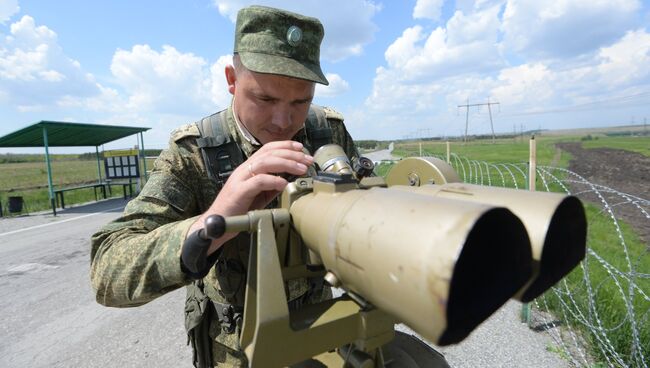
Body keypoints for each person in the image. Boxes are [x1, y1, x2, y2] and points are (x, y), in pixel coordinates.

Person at [90, 5, 359, 368]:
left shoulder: (327, 132)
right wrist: (215, 219)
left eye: (301, 101)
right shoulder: (193, 153)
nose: (284, 121)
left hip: (322, 336)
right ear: (232, 79)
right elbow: (108, 271)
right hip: (237, 352)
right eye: (265, 99)